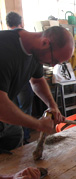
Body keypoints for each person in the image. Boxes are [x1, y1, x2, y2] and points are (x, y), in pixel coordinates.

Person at [0, 26, 74, 151]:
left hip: (4, 123)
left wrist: (52, 105)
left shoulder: (35, 53)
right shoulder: (4, 48)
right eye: (54, 60)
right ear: (45, 42)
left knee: (15, 135)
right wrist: (38, 124)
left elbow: (37, 81)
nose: (52, 65)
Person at [6, 11, 33, 145]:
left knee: (14, 109)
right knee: (25, 108)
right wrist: (39, 124)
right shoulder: (25, 38)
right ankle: (25, 137)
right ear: (21, 23)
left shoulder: (5, 37)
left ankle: (20, 136)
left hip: (7, 86)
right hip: (22, 82)